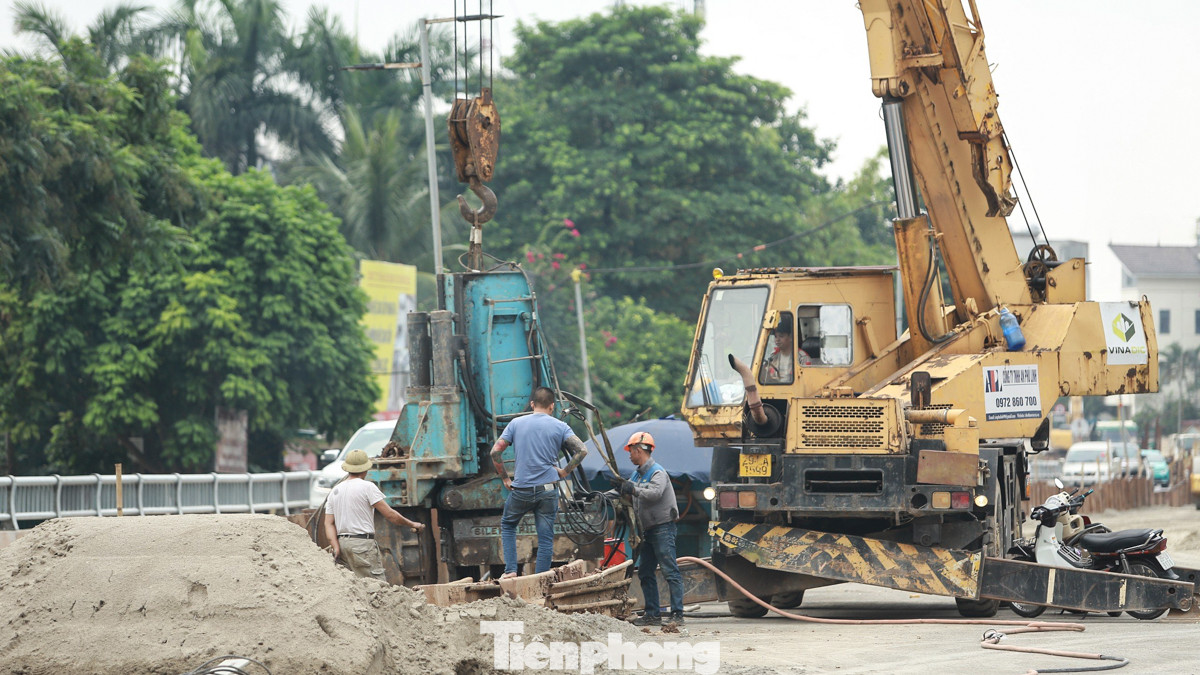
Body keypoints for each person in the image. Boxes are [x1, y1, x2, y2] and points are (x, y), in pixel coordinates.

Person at [489, 386, 588, 579]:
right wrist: (564, 471)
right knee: (545, 537)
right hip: (548, 489)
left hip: (522, 489)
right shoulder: (560, 426)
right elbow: (582, 450)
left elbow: (495, 452)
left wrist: (505, 478)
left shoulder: (516, 423)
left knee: (509, 525)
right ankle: (540, 579)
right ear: (552, 406)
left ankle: (510, 571)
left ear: (532, 404)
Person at [615, 431, 685, 627]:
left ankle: (677, 614)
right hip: (647, 530)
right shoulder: (637, 474)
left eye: (631, 451)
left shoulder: (657, 472)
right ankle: (653, 614)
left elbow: (654, 494)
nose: (629, 456)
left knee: (670, 571)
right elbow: (629, 490)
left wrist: (632, 489)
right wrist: (611, 493)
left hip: (662, 528)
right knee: (645, 571)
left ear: (639, 450)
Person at [323, 449, 425, 580]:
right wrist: (412, 524)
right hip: (361, 545)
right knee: (377, 586)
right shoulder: (367, 487)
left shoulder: (335, 490)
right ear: (366, 469)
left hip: (342, 545)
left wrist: (336, 546)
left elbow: (328, 523)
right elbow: (390, 515)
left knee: (355, 587)